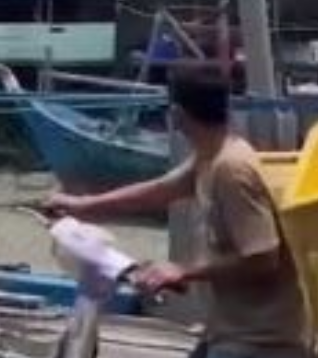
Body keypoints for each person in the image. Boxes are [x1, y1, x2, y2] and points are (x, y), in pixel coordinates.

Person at [45, 68, 310, 358]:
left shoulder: (232, 169)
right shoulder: (210, 157)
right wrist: (82, 206)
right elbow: (158, 190)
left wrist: (184, 270)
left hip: (262, 341)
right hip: (230, 330)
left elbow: (263, 256)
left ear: (176, 114)